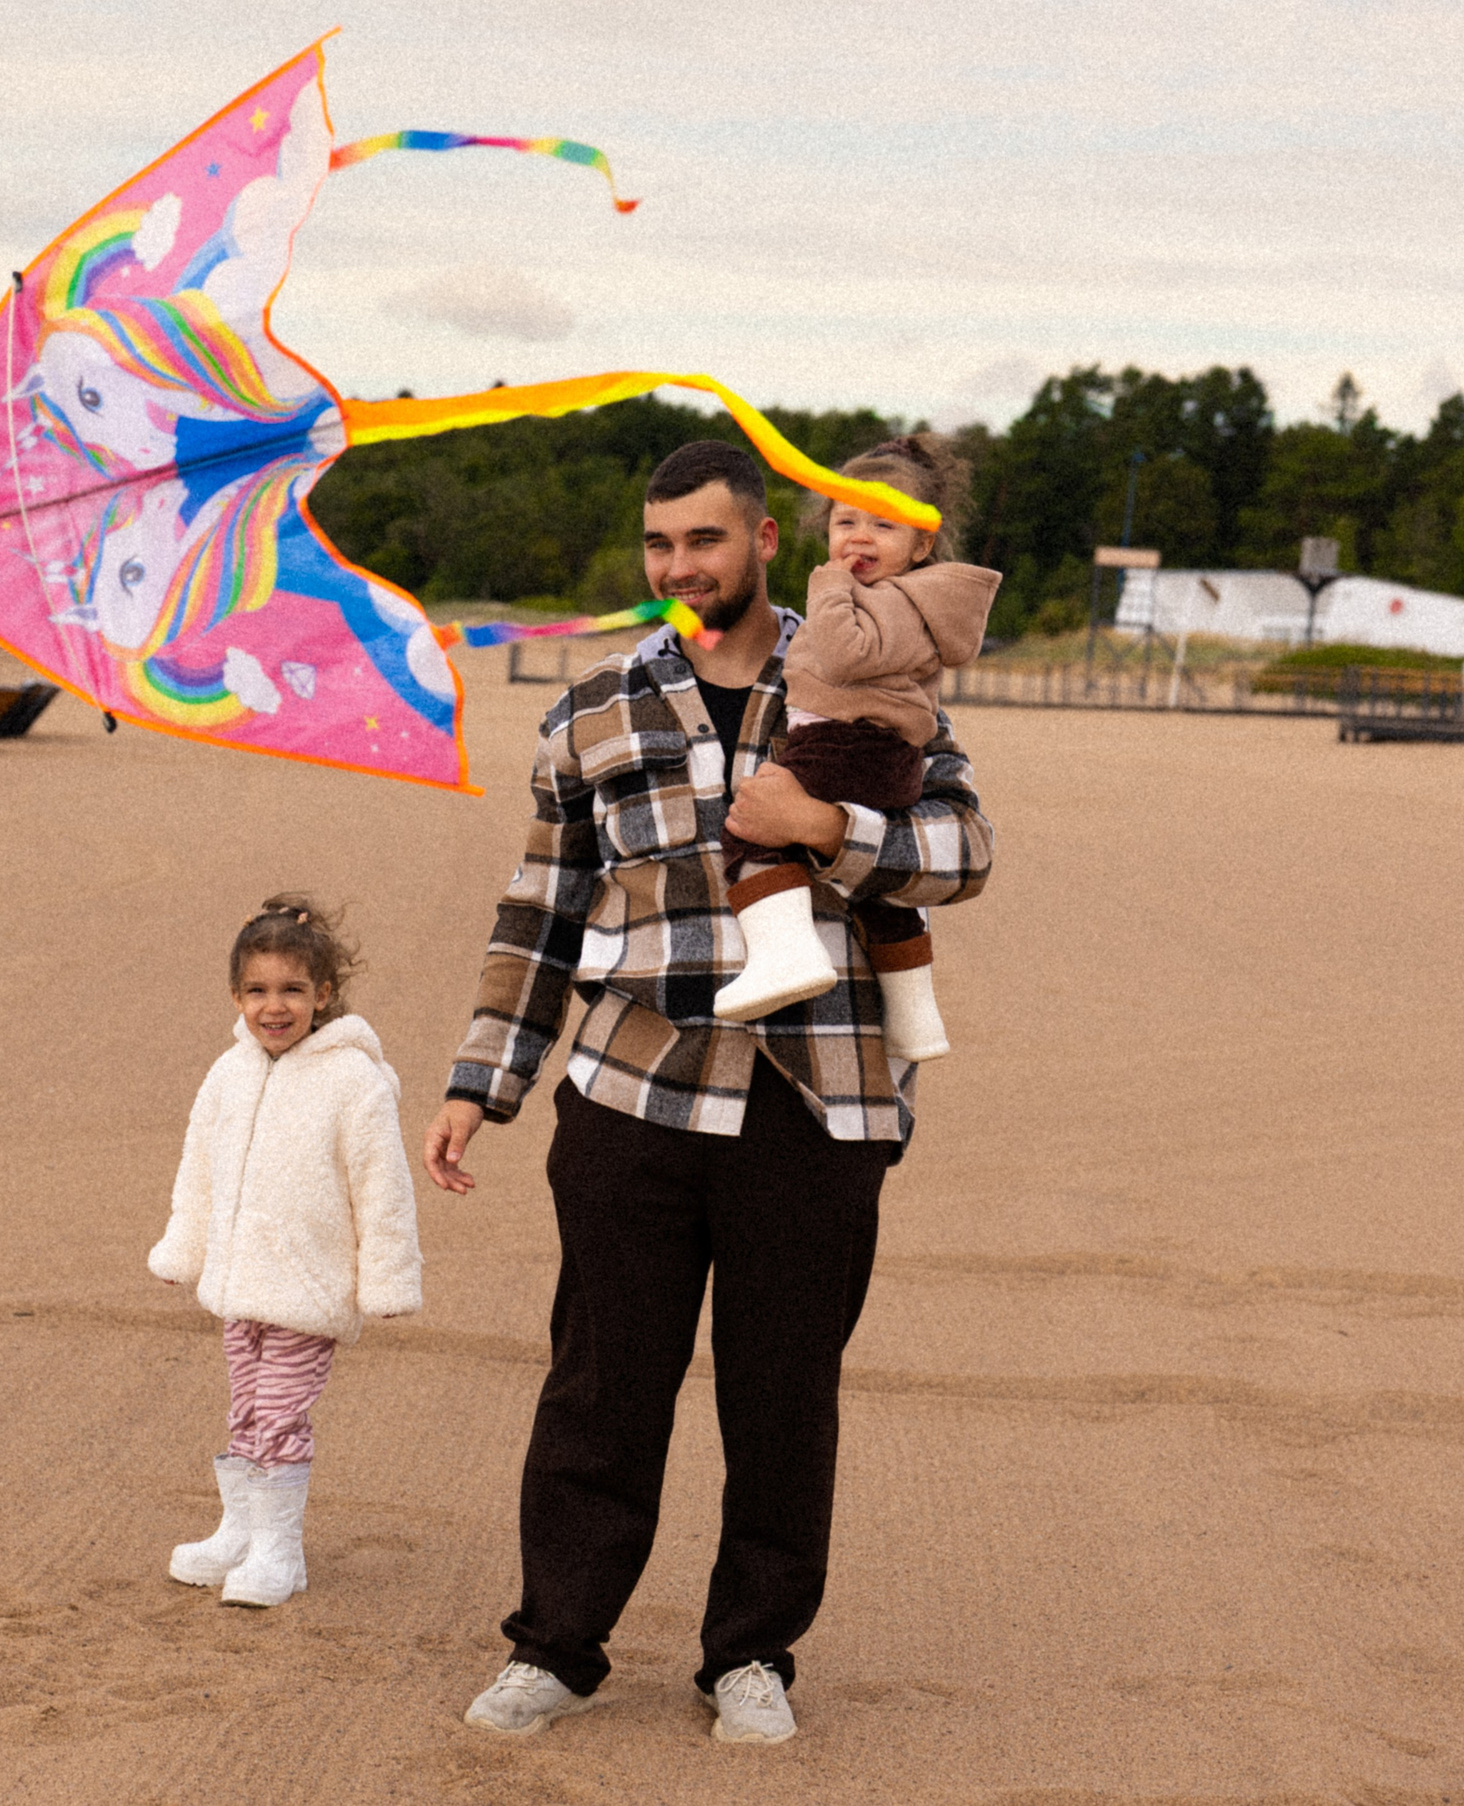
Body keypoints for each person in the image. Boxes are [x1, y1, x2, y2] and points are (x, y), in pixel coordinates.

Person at [427, 440, 993, 1744]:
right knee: (598, 1391)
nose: (680, 564)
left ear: (762, 540)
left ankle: (751, 1654)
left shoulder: (866, 670)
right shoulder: (593, 709)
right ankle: (555, 1645)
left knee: (782, 1399)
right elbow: (540, 908)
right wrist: (483, 1079)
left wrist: (831, 831)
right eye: (659, 542)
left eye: (705, 539)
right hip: (632, 1094)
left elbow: (965, 848)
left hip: (818, 1102)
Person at [148, 896, 424, 1608]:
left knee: (279, 1414)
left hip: (308, 1288)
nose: (275, 1007)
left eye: (293, 990)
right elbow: (199, 1169)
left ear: (323, 995)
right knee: (245, 1409)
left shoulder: (354, 1081)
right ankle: (240, 1533)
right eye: (258, 991)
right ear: (236, 996)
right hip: (238, 1285)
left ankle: (279, 1550)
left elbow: (382, 1186)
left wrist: (388, 1280)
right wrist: (185, 1248)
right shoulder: (228, 1073)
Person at [712, 435, 1000, 1060]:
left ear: (921, 545)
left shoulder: (896, 600)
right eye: (846, 522)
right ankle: (915, 1018)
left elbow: (845, 656)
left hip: (847, 742)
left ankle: (785, 955)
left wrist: (827, 585)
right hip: (880, 755)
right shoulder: (908, 602)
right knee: (876, 893)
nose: (860, 538)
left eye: (883, 524)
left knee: (750, 829)